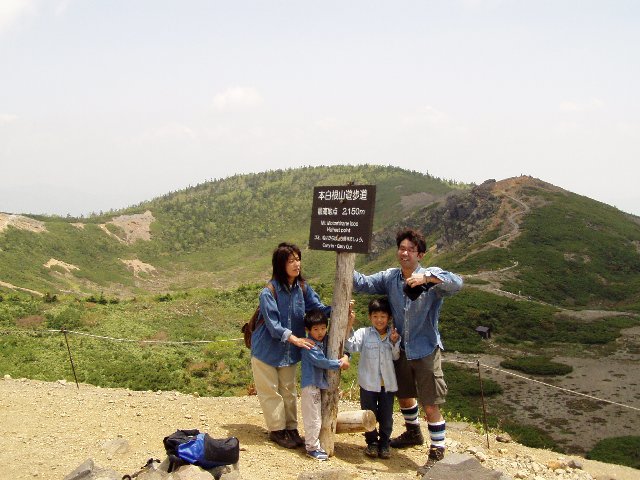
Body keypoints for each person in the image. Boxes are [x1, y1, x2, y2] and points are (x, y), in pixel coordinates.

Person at [352, 228, 463, 474]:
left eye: (410, 250)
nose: (404, 253)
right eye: (401, 248)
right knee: (403, 394)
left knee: (431, 403)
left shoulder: (431, 281)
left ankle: (437, 451)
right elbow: (363, 283)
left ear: (420, 254)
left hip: (425, 349)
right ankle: (413, 432)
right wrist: (343, 261)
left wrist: (427, 279)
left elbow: (457, 283)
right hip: (400, 349)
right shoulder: (391, 278)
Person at [250, 242, 331, 450]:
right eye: (291, 260)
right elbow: (273, 325)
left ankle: (291, 428)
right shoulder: (268, 292)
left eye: (298, 259)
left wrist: (339, 308)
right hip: (266, 350)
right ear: (280, 265)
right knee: (270, 391)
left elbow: (318, 309)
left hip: (290, 352)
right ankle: (277, 430)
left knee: (288, 390)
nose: (297, 264)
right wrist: (295, 339)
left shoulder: (302, 288)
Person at [345, 297, 400, 459]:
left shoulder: (393, 335)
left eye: (383, 316)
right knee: (368, 414)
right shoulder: (364, 333)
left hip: (387, 385)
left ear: (389, 318)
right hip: (368, 384)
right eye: (375, 316)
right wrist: (349, 325)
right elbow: (351, 345)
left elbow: (396, 357)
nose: (379, 320)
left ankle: (384, 444)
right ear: (370, 317)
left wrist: (395, 342)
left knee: (386, 415)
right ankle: (371, 443)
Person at [300, 309, 350, 460]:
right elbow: (321, 362)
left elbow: (342, 344)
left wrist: (346, 356)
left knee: (317, 416)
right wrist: (340, 363)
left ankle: (314, 444)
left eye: (323, 328)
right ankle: (312, 448)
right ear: (307, 330)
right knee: (313, 418)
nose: (320, 332)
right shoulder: (308, 345)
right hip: (311, 386)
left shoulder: (325, 340)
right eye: (315, 329)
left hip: (318, 385)